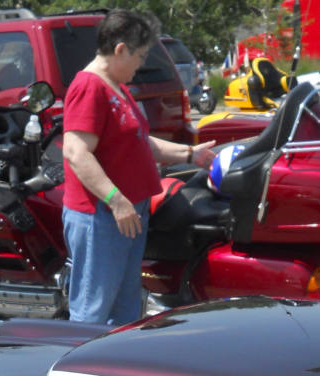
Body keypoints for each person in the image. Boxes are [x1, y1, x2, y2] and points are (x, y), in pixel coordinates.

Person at [60, 11, 215, 325]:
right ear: (120, 50)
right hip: (102, 217)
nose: (142, 64)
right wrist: (117, 201)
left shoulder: (116, 85)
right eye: (140, 56)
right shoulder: (90, 87)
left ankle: (114, 370)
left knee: (126, 309)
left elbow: (142, 143)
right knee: (92, 313)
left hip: (127, 215)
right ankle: (79, 371)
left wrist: (190, 154)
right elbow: (76, 152)